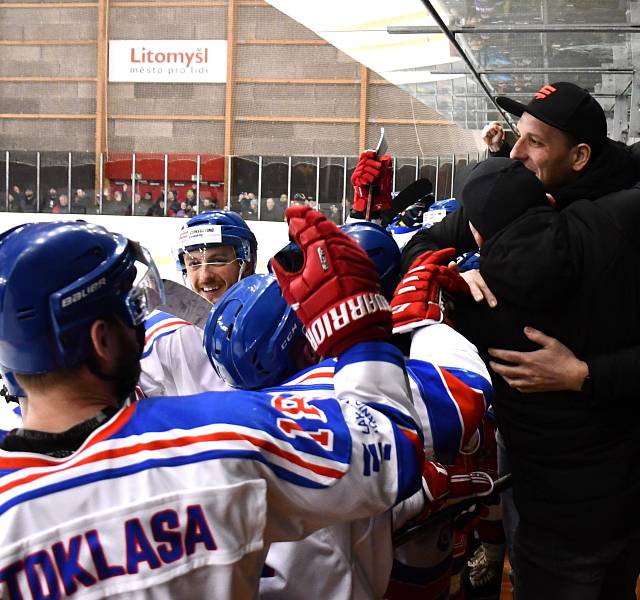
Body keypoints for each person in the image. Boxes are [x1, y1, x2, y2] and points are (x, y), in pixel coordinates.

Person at [0, 215, 424, 598]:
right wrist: (359, 329)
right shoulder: (222, 437)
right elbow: (390, 451)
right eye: (133, 311)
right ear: (102, 341)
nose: (144, 325)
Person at [450, 156, 640, 599]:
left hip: (555, 521)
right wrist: (589, 375)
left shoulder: (474, 305)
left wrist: (456, 278)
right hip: (637, 497)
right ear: (550, 202)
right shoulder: (623, 235)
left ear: (477, 235)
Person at [203, 261, 491, 599]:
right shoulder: (329, 390)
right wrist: (423, 320)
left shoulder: (212, 413)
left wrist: (395, 503)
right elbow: (467, 390)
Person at [138, 210, 259, 398]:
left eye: (218, 261)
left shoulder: (281, 319)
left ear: (248, 264)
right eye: (194, 264)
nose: (205, 277)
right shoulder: (163, 336)